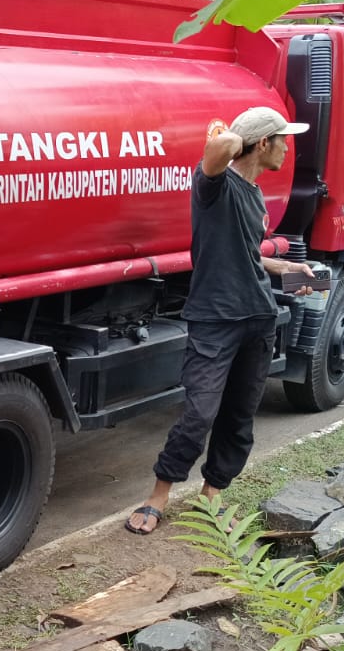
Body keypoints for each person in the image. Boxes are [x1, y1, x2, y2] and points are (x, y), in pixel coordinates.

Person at [125, 106, 315, 534]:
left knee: (239, 415)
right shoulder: (213, 186)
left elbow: (249, 257)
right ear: (263, 143)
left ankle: (213, 495)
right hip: (214, 319)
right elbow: (222, 148)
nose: (288, 148)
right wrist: (240, 133)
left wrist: (288, 271)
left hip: (258, 319)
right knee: (199, 413)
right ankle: (159, 495)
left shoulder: (253, 194)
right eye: (281, 139)